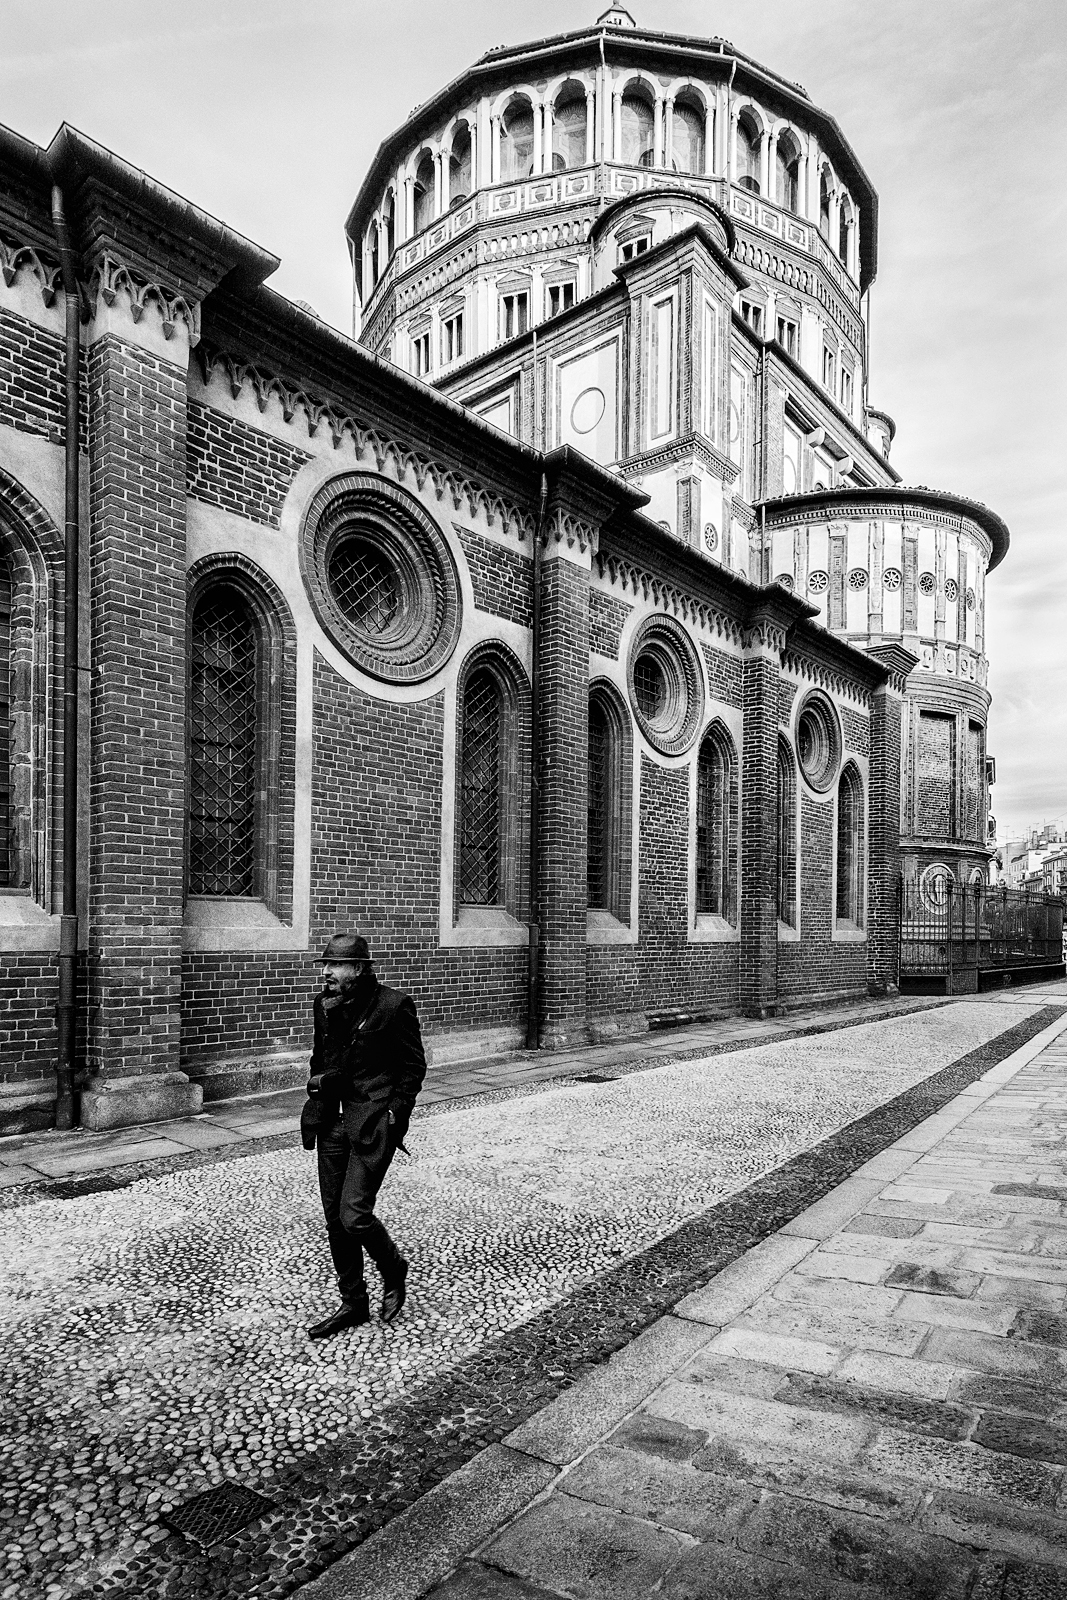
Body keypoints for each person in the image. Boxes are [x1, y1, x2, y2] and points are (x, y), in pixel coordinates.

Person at [301, 933, 427, 1339]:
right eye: (326, 965)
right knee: (334, 1220)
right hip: (331, 1122)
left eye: (335, 965)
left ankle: (394, 1267)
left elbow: (413, 1067)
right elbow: (320, 1056)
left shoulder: (393, 1005)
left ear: (358, 968)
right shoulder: (323, 1005)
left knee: (354, 1215)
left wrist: (396, 1114)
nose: (326, 972)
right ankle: (353, 1303)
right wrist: (318, 1088)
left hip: (373, 1122)